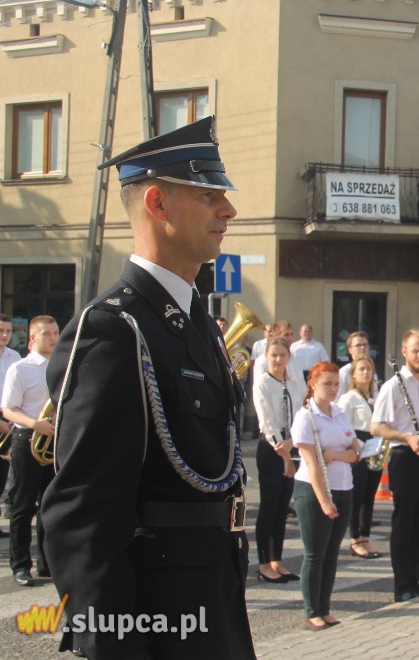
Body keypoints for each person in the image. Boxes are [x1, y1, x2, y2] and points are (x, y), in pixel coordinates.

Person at [39, 117, 256, 658]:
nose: (227, 211)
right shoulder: (114, 330)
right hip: (156, 613)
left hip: (213, 588)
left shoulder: (199, 323)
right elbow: (81, 516)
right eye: (210, 196)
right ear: (158, 204)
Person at [371, 328, 419, 602]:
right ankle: (402, 584)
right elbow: (376, 427)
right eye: (416, 350)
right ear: (405, 351)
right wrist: (406, 437)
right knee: (404, 522)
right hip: (404, 456)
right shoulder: (393, 385)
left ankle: (415, 580)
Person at [291, 361, 359, 631]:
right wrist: (323, 500)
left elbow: (356, 452)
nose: (333, 388)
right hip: (314, 489)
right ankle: (312, 611)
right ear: (313, 385)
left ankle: (325, 608)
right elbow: (312, 463)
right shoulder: (306, 416)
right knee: (315, 554)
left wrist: (338, 455)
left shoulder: (340, 412)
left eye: (335, 383)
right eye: (326, 384)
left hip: (344, 486)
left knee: (332, 553)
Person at [1, 315, 59, 587]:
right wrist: (36, 423)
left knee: (51, 505)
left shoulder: (62, 367)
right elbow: (9, 409)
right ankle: (21, 565)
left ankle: (47, 562)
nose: (54, 338)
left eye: (56, 332)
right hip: (28, 439)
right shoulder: (20, 369)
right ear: (33, 338)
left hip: (55, 440)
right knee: (24, 507)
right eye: (47, 334)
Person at [252, 336, 303, 584]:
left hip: (291, 444)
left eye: (282, 355)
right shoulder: (263, 382)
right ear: (267, 357)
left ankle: (277, 561)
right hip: (272, 448)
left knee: (283, 508)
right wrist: (284, 453)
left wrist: (293, 445)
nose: (278, 360)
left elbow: (301, 414)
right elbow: (266, 420)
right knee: (269, 507)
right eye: (274, 355)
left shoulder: (292, 384)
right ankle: (263, 564)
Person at [336, 354, 384, 560]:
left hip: (375, 449)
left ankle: (366, 536)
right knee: (357, 497)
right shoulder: (349, 398)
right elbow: (344, 427)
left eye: (369, 369)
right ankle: (355, 539)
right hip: (358, 449)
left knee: (369, 497)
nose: (366, 372)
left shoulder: (376, 396)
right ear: (353, 374)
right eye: (361, 369)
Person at [0, 313, 21, 533]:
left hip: (10, 415)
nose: (5, 335)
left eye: (7, 331)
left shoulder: (14, 356)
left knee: (4, 470)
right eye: (1, 331)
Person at [339, 330, 378, 397]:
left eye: (365, 345)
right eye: (358, 345)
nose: (362, 348)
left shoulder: (371, 371)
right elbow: (337, 400)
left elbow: (374, 393)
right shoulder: (344, 372)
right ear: (350, 350)